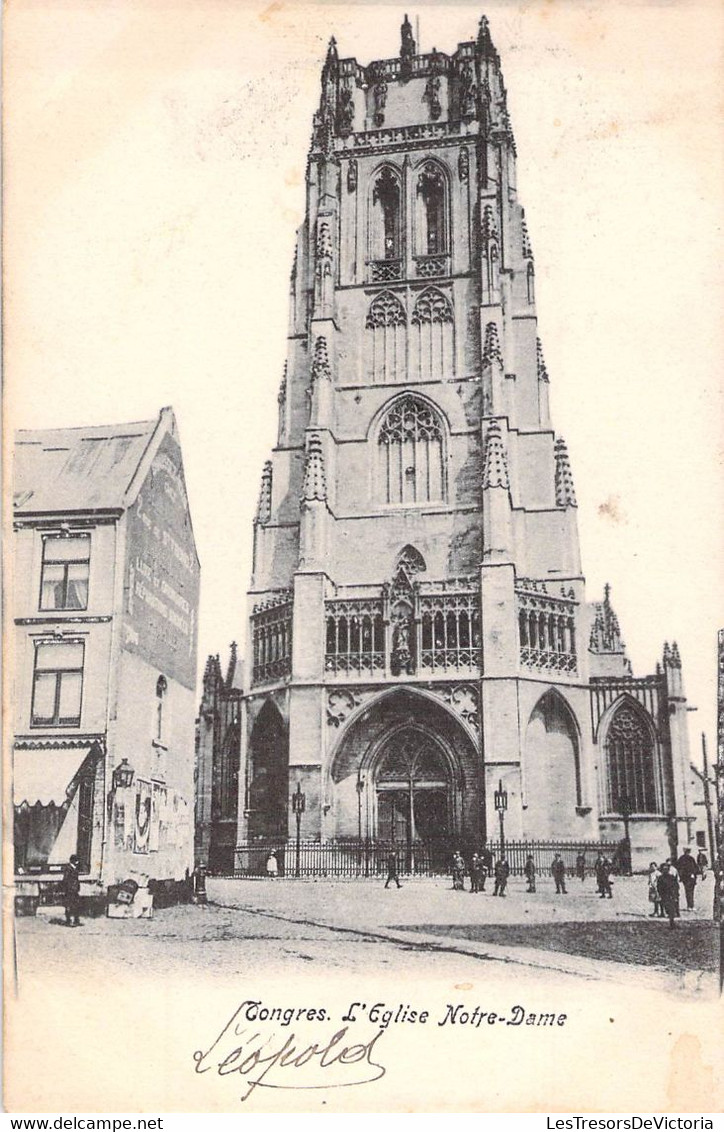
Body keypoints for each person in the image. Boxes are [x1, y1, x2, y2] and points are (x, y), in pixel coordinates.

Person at [657, 862, 680, 929]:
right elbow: (659, 887)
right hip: (665, 895)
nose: (665, 870)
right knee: (667, 909)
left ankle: (672, 922)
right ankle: (671, 921)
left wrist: (676, 894)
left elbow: (676, 886)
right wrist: (661, 894)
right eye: (664, 869)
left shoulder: (672, 877)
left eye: (667, 869)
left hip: (672, 895)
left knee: (671, 909)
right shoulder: (660, 878)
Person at [62, 854, 82, 927]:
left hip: (75, 890)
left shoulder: (74, 868)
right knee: (69, 905)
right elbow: (65, 880)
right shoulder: (68, 868)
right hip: (70, 890)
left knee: (77, 905)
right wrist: (69, 888)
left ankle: (76, 920)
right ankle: (68, 921)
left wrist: (77, 887)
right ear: (73, 861)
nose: (77, 862)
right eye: (76, 860)